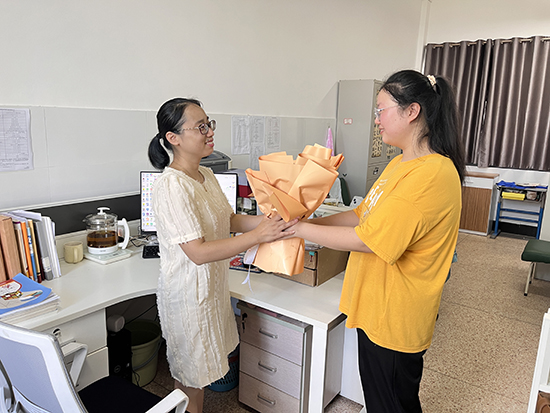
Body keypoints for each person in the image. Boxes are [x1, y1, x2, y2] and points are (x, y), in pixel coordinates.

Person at [294, 70, 465, 413]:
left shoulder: (431, 174)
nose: (376, 121)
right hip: (375, 307)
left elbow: (368, 240)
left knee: (392, 405)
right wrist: (308, 223)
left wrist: (298, 230)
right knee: (381, 401)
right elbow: (362, 215)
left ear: (412, 111)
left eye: (381, 110)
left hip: (395, 317)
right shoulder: (399, 163)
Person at [147, 98, 296, 413]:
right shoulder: (171, 186)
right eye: (200, 127)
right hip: (188, 298)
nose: (209, 132)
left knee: (199, 377)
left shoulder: (206, 175)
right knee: (190, 381)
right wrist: (258, 236)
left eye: (209, 123)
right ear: (173, 138)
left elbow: (228, 220)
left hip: (210, 291)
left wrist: (270, 221)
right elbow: (197, 252)